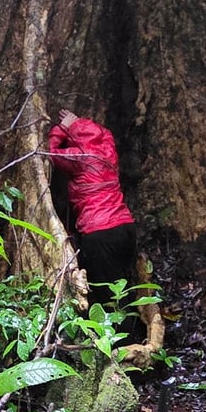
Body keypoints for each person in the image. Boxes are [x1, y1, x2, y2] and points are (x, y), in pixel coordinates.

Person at [48, 109, 137, 307]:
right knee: (122, 285)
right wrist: (80, 123)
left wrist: (63, 128)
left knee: (105, 294)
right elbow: (105, 133)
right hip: (126, 228)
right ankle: (131, 324)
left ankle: (117, 328)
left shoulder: (79, 156)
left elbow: (49, 153)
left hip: (99, 233)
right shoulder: (109, 151)